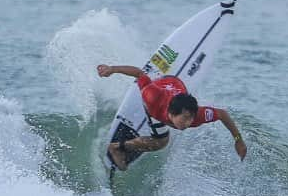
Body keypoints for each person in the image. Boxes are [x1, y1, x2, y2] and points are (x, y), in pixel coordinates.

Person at [96, 64, 247, 170]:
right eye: (185, 118)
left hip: (176, 84)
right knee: (161, 142)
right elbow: (139, 73)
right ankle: (116, 147)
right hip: (157, 98)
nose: (188, 123)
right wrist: (112, 69)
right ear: (172, 113)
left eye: (191, 118)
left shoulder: (197, 116)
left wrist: (238, 139)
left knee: (162, 140)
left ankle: (125, 145)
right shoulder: (152, 96)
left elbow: (222, 114)